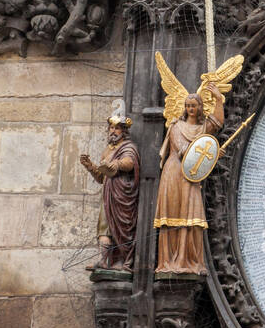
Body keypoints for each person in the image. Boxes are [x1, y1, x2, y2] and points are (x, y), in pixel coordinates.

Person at [154, 88, 223, 273]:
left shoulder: (202, 128)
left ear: (200, 107)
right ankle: (170, 261)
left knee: (192, 213)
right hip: (176, 171)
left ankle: (189, 259)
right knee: (174, 212)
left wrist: (218, 99)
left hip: (192, 175)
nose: (190, 109)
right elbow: (184, 150)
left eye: (194, 106)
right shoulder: (176, 127)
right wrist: (210, 152)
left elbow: (217, 123)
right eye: (188, 106)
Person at [80, 113, 140, 270]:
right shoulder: (107, 150)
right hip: (108, 194)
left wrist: (118, 164)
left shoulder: (128, 147)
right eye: (111, 128)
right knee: (104, 227)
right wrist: (90, 166)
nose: (113, 131)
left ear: (124, 132)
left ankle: (122, 260)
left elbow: (129, 162)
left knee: (121, 227)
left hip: (121, 193)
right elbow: (101, 177)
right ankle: (105, 261)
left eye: (117, 128)